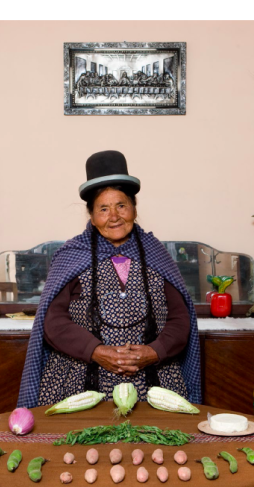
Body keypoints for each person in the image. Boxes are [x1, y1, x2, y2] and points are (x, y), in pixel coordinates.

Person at [17, 150, 200, 408]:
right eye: (103, 209)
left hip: (154, 383)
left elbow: (180, 319)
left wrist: (154, 351)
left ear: (134, 209)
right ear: (92, 217)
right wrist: (96, 351)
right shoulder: (72, 254)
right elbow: (53, 321)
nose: (114, 216)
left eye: (121, 206)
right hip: (79, 383)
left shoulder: (155, 253)